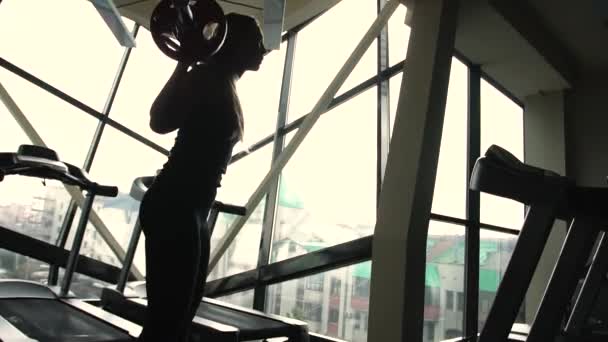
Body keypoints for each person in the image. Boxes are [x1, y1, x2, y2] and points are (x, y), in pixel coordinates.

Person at [137, 12, 266, 342]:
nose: (263, 48)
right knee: (167, 323)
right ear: (233, 44)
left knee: (173, 321)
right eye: (256, 39)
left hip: (189, 209)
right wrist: (184, 63)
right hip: (175, 207)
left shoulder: (222, 84)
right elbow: (159, 120)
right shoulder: (207, 78)